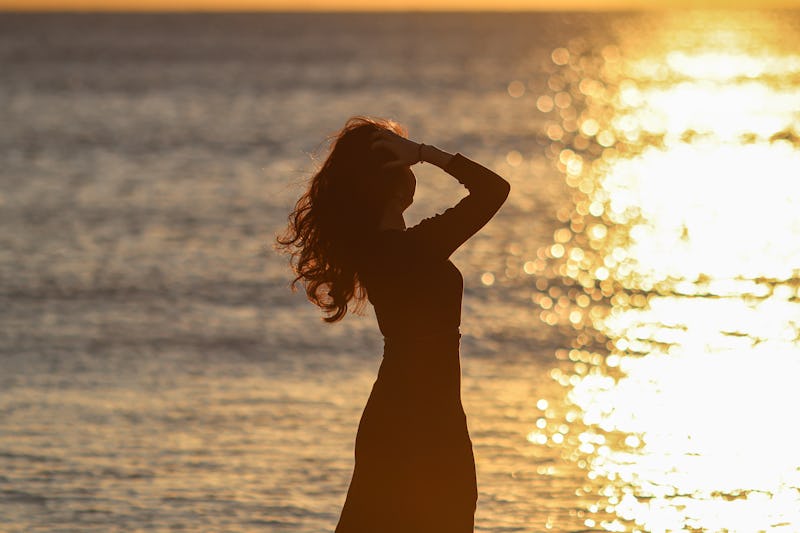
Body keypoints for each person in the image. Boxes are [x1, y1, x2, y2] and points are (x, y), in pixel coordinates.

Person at [277, 116, 510, 532]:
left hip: (404, 411)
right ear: (393, 182)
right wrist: (425, 152)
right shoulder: (413, 250)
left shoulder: (380, 249)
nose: (411, 171)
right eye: (402, 164)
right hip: (425, 420)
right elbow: (494, 190)